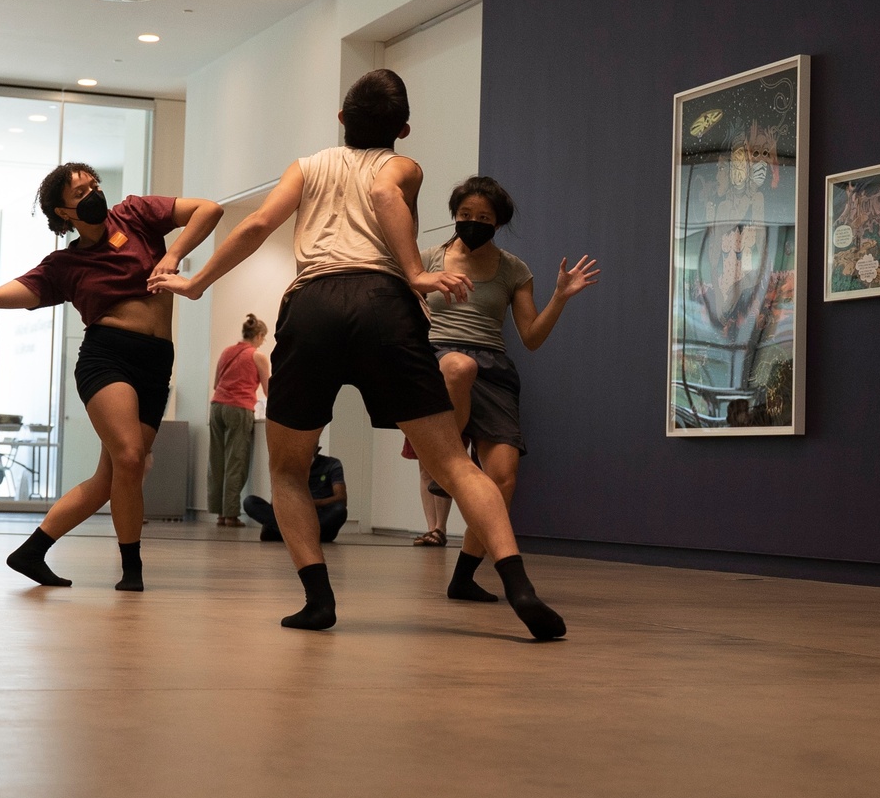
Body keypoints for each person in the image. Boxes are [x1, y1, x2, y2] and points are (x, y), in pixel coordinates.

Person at [149, 68, 566, 639]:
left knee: (289, 469)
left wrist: (195, 281)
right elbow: (384, 190)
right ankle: (519, 586)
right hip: (382, 306)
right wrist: (415, 273)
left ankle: (319, 601)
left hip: (312, 304)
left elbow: (260, 224)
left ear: (342, 119)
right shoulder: (404, 165)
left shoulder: (307, 165)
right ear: (405, 128)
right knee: (452, 462)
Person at [0, 163, 221, 591]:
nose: (93, 194)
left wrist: (171, 255)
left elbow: (210, 210)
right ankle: (131, 571)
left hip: (156, 360)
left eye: (93, 185)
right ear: (63, 213)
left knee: (112, 477)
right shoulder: (65, 264)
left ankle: (31, 551)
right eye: (80, 193)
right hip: (106, 358)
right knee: (131, 458)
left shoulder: (135, 214)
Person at [406, 176, 598, 600]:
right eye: (465, 216)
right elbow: (402, 317)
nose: (473, 223)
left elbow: (530, 336)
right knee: (459, 366)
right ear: (454, 216)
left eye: (483, 218)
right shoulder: (426, 260)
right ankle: (447, 465)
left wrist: (560, 297)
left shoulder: (513, 269)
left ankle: (464, 577)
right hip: (440, 360)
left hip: (494, 369)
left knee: (503, 478)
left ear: (498, 223)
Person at [208, 313, 270, 527]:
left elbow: (217, 383)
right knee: (236, 461)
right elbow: (268, 389)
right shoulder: (257, 356)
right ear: (259, 335)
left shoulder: (227, 352)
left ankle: (219, 513)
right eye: (263, 338)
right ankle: (231, 514)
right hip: (239, 407)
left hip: (217, 406)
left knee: (216, 461)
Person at [243, 448, 347, 543]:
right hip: (291, 515)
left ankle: (282, 532)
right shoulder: (288, 465)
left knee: (339, 509)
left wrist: (311, 503)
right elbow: (276, 500)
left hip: (318, 516)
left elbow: (341, 497)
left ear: (316, 450)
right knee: (250, 502)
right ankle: (300, 534)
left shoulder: (332, 464)